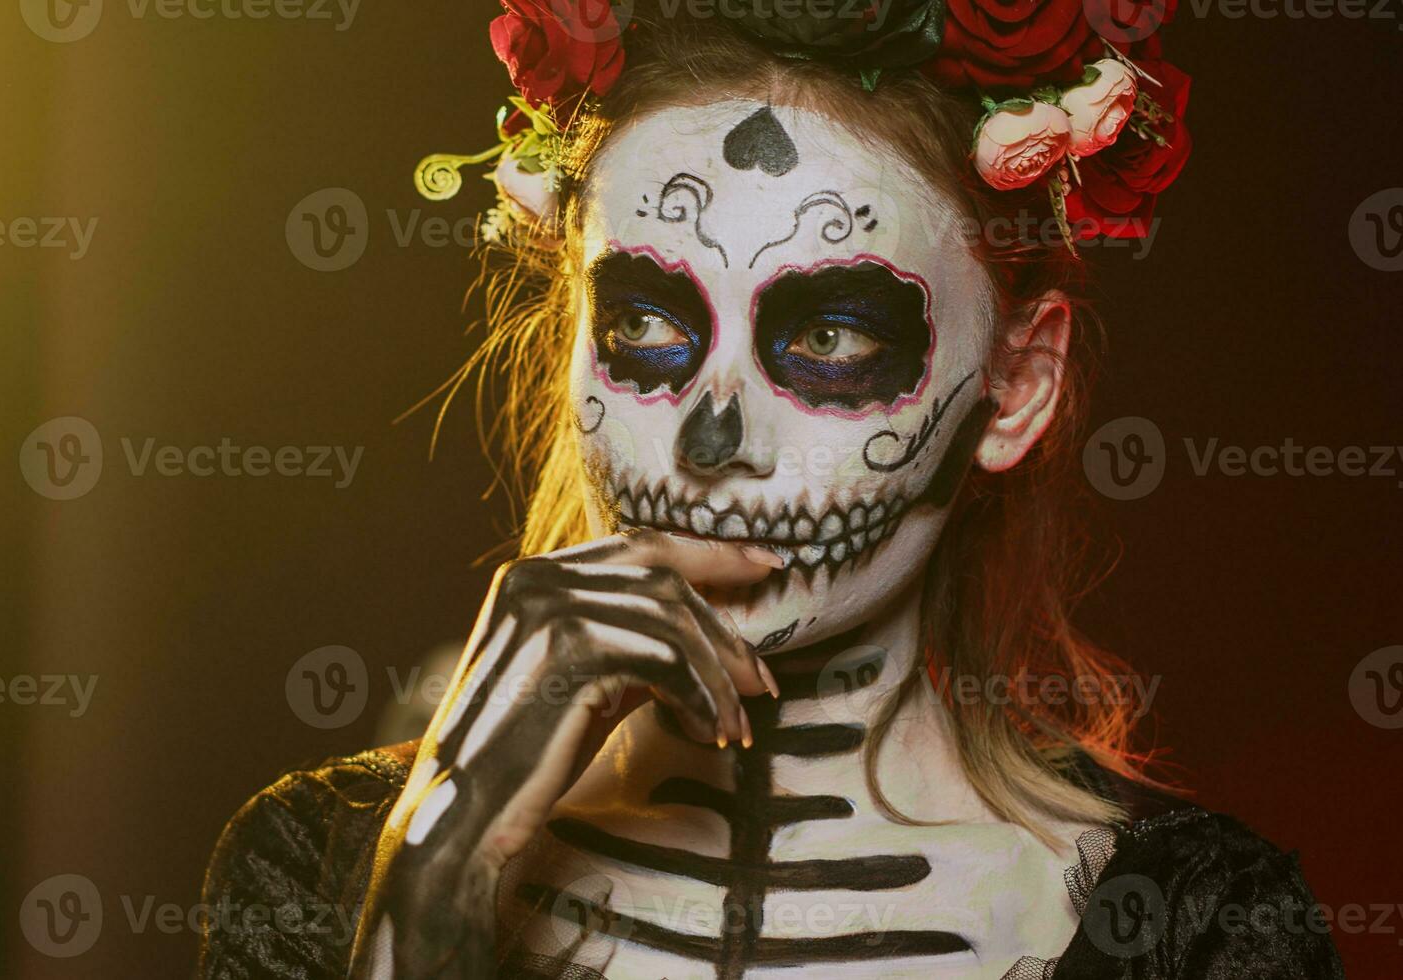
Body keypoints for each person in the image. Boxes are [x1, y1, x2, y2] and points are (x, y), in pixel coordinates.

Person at [199, 6, 1345, 978]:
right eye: (644, 324)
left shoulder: (1185, 928)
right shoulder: (318, 863)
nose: (714, 436)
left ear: (1015, 387)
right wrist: (442, 864)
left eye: (832, 335)